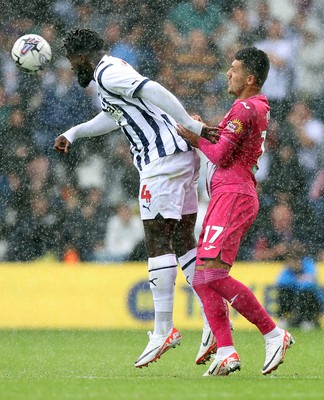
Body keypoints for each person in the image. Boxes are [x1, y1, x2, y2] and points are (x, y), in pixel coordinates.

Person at [53, 28, 220, 368]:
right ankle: (213, 319)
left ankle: (162, 331)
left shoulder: (108, 71)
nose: (73, 68)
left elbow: (153, 90)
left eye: (73, 60)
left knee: (157, 242)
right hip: (177, 157)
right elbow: (114, 117)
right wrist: (75, 132)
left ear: (84, 53)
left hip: (161, 163)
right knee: (184, 243)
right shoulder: (109, 74)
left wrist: (190, 122)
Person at [176, 47, 294, 377]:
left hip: (234, 195)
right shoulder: (249, 107)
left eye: (234, 69)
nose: (228, 73)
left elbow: (221, 155)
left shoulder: (245, 107)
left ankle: (274, 334)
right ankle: (226, 351)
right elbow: (228, 141)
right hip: (226, 195)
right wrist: (205, 130)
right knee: (201, 276)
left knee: (213, 274)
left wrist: (194, 137)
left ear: (250, 78)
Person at [276, 241, 324, 330]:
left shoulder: (308, 264)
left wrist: (296, 282)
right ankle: (284, 319)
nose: (292, 265)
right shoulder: (287, 270)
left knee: (305, 293)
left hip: (313, 300)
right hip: (295, 299)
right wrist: (299, 280)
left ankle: (308, 320)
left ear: (299, 261)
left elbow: (310, 283)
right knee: (284, 292)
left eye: (294, 262)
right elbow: (280, 282)